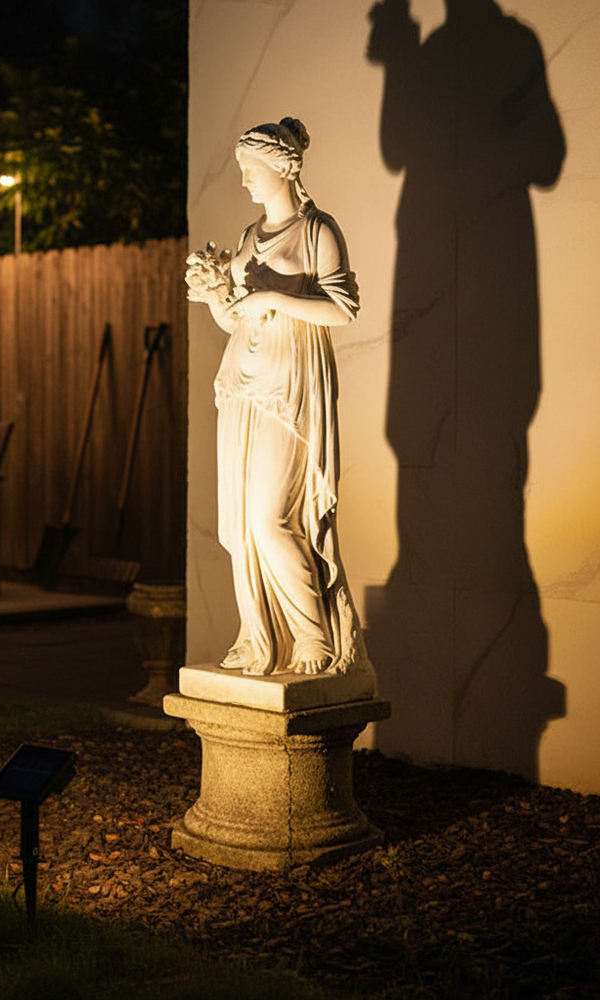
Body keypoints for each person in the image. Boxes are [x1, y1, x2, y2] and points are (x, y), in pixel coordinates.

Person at [185, 117, 370, 677]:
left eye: (249, 169)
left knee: (269, 518)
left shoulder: (318, 231)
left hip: (289, 387)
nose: (243, 180)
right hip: (241, 383)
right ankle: (260, 637)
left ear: (281, 167)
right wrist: (216, 293)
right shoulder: (248, 237)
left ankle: (312, 637)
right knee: (237, 525)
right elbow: (237, 317)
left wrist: (269, 296)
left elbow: (341, 308)